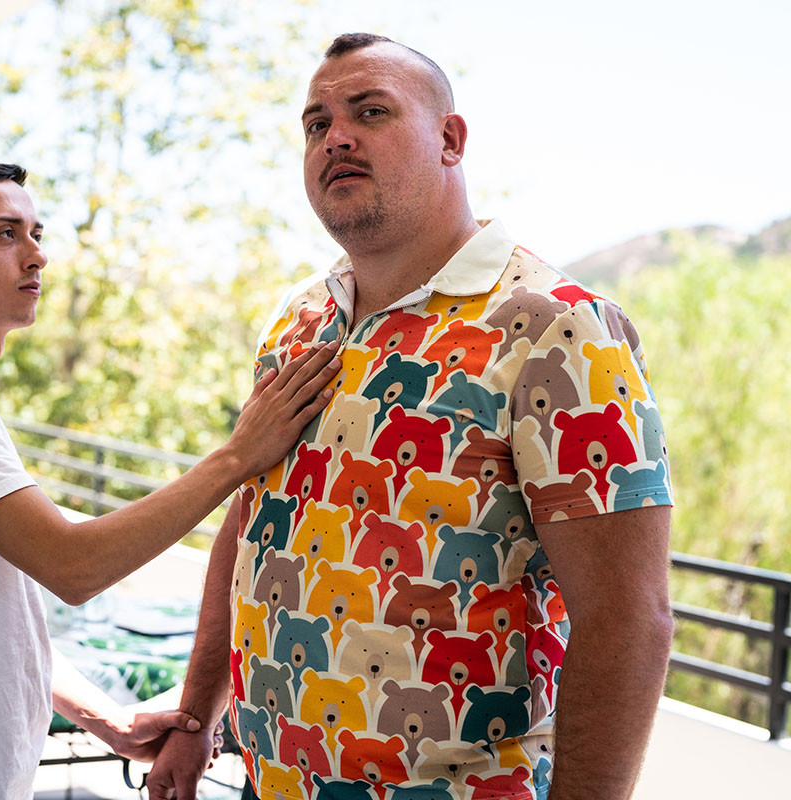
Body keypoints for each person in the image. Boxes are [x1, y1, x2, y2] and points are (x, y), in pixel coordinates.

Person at [147, 33, 675, 800]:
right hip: (269, 782)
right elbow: (251, 518)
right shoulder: (301, 320)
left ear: (450, 140)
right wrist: (196, 715)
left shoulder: (555, 329)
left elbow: (628, 620)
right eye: (316, 123)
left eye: (371, 112)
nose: (336, 137)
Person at [0, 158, 341, 798]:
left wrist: (106, 720)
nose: (36, 256)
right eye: (5, 234)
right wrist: (238, 456)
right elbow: (72, 566)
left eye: (36, 234)